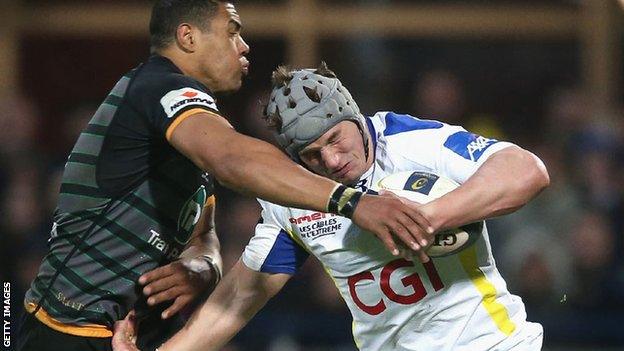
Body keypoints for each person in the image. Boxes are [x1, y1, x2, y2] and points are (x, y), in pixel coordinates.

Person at [16, 2, 432, 351]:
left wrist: (204, 268)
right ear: (188, 37)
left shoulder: (186, 128)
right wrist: (353, 203)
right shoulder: (158, 88)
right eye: (232, 32)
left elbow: (202, 238)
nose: (244, 45)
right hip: (66, 328)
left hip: (127, 334)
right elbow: (233, 159)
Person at [111, 63, 550, 350]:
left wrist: (431, 216)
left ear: (355, 118)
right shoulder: (292, 197)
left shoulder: (412, 143)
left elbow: (526, 171)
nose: (333, 161)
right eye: (313, 156)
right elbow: (238, 299)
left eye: (336, 140)